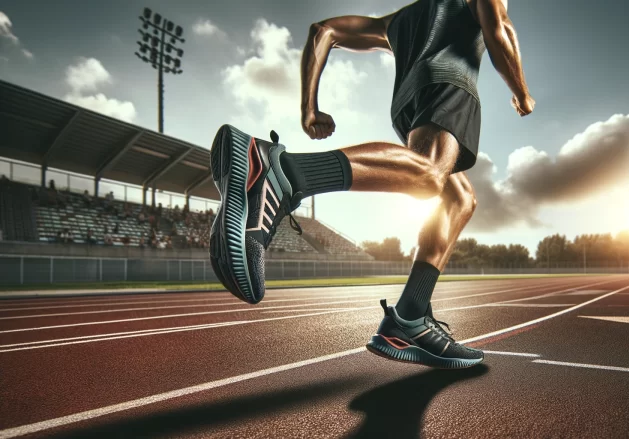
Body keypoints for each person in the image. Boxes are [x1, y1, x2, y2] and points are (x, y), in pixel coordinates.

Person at [208, 0, 534, 369]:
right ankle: (284, 174)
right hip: (449, 83)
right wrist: (521, 92)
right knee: (429, 175)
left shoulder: (401, 20)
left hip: (407, 103)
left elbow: (324, 31)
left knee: (459, 199)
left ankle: (410, 316)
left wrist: (309, 108)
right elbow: (498, 28)